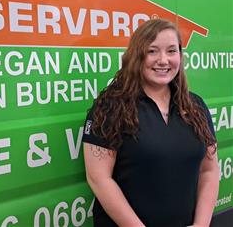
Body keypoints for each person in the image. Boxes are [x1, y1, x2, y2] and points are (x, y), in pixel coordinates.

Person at [82, 19, 219, 227]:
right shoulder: (110, 106)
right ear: (136, 56)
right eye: (152, 51)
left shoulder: (195, 106)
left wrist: (201, 225)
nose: (163, 60)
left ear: (180, 57)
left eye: (171, 51)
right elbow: (99, 179)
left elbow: (209, 170)